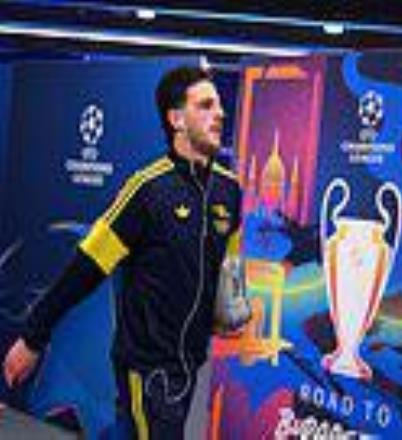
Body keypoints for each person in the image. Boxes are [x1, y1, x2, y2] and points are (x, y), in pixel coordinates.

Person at [3, 65, 248, 438]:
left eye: (218, 105)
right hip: (146, 367)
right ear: (176, 119)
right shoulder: (147, 189)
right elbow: (86, 266)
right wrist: (34, 336)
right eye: (205, 105)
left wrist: (230, 309)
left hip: (189, 363)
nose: (220, 113)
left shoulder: (229, 190)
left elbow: (228, 265)